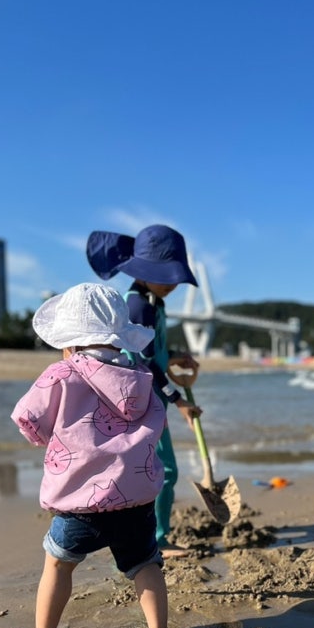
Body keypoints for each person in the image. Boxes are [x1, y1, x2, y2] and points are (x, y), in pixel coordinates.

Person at [3, 282, 177, 628]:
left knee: (58, 564)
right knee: (146, 564)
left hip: (79, 503)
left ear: (69, 342)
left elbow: (27, 417)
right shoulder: (139, 377)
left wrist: (48, 436)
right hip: (135, 502)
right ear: (121, 339)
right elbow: (157, 420)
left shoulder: (62, 374)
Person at [86, 224, 200, 557]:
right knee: (163, 470)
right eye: (165, 276)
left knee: (150, 468)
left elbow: (154, 351)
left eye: (174, 277)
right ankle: (157, 540)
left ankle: (146, 536)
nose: (172, 284)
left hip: (150, 396)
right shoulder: (138, 306)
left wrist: (175, 356)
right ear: (143, 271)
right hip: (139, 400)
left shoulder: (153, 303)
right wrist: (179, 400)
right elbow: (146, 362)